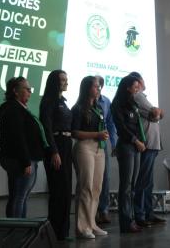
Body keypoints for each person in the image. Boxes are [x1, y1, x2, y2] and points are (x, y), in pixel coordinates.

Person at [0, 77, 47, 218]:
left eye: (30, 89)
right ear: (15, 91)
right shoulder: (14, 109)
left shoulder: (17, 108)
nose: (30, 92)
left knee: (19, 196)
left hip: (23, 158)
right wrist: (25, 161)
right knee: (19, 196)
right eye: (27, 89)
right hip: (21, 159)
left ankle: (19, 228)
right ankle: (16, 231)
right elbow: (18, 138)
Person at [72, 76, 108, 239]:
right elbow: (75, 133)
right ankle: (82, 227)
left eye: (99, 86)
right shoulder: (78, 108)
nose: (98, 89)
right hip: (84, 146)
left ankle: (92, 223)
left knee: (97, 187)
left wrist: (103, 135)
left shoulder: (99, 108)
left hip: (99, 148)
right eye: (95, 86)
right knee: (85, 186)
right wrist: (97, 134)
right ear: (87, 88)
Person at [39, 70, 73, 240]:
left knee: (66, 191)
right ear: (54, 82)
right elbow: (47, 127)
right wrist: (54, 151)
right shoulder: (48, 101)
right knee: (58, 191)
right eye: (63, 80)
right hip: (57, 147)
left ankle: (63, 232)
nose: (66, 82)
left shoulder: (63, 101)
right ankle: (54, 232)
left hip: (67, 146)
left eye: (66, 79)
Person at [130, 72, 166, 227]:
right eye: (141, 80)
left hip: (151, 143)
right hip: (147, 143)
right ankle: (140, 214)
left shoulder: (142, 96)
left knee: (148, 182)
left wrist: (157, 114)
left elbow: (158, 114)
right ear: (138, 81)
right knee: (143, 181)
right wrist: (156, 113)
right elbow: (155, 112)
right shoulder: (138, 96)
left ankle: (148, 213)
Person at [111, 75, 146, 233]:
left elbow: (137, 124)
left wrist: (141, 140)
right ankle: (126, 222)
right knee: (125, 186)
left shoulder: (133, 102)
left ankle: (131, 218)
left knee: (132, 186)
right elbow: (121, 128)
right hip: (126, 146)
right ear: (127, 87)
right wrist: (135, 141)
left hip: (136, 146)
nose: (138, 88)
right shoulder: (117, 103)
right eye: (135, 86)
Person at [95, 75, 117, 224]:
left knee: (105, 178)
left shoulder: (107, 101)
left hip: (103, 144)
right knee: (90, 180)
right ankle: (91, 211)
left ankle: (103, 211)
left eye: (97, 85)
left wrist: (114, 143)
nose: (95, 88)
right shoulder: (83, 101)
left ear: (101, 86)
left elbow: (111, 124)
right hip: (88, 143)